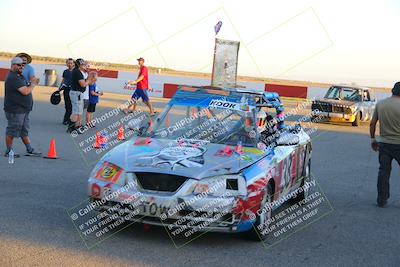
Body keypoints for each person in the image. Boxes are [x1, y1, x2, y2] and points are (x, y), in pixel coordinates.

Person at [370, 82, 400, 208]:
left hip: (384, 144)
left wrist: (373, 139)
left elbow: (372, 123)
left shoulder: (380, 104)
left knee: (383, 172)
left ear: (392, 90)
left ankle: (382, 200)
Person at [3, 57, 41, 157]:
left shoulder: (19, 76)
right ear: (12, 65)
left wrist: (31, 83)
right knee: (12, 130)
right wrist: (33, 84)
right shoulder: (13, 77)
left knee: (24, 130)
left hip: (23, 109)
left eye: (23, 65)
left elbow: (25, 87)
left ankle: (29, 149)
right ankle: (9, 151)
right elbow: (25, 91)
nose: (21, 67)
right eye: (18, 65)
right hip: (15, 110)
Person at [69, 59, 95, 133]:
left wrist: (88, 78)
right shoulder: (77, 72)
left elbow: (83, 81)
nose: (85, 65)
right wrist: (89, 81)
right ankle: (72, 128)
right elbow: (83, 84)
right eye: (83, 64)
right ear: (79, 65)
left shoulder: (77, 71)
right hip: (77, 93)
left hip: (77, 93)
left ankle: (75, 126)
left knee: (78, 111)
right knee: (76, 112)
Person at [58, 58, 74, 125]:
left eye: (71, 63)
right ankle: (66, 120)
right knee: (67, 106)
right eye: (68, 63)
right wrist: (60, 88)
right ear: (66, 64)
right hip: (66, 90)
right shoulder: (65, 71)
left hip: (74, 91)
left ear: (73, 64)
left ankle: (71, 119)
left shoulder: (76, 71)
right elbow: (63, 80)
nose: (69, 64)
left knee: (72, 106)